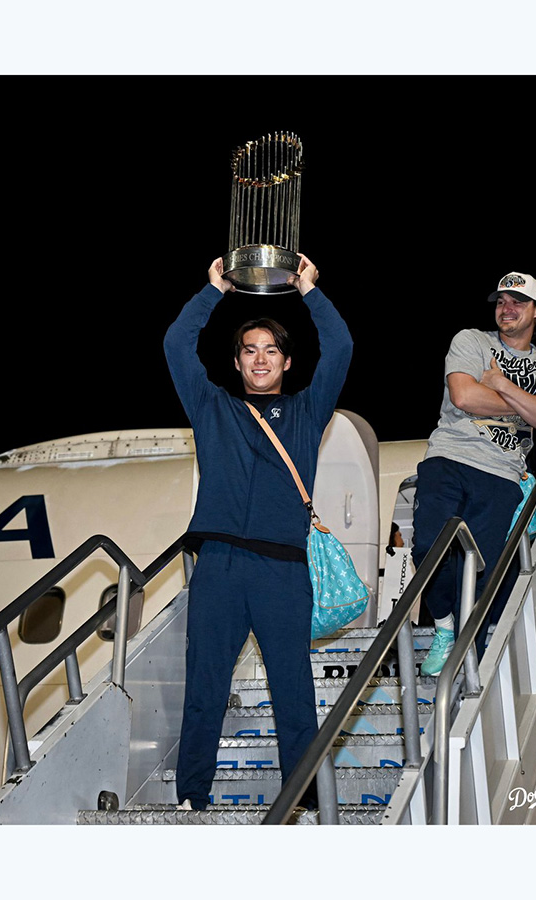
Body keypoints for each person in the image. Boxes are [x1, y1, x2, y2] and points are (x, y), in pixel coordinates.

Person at [164, 253, 353, 810]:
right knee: (205, 688)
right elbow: (177, 345)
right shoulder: (211, 406)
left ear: (287, 362)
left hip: (282, 569)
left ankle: (303, 801)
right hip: (219, 564)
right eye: (250, 350)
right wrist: (213, 290)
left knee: (291, 689)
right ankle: (191, 799)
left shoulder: (307, 411)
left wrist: (310, 289)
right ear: (240, 363)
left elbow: (340, 347)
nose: (261, 358)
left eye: (271, 350)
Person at [412, 271, 536, 677]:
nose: (507, 308)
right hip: (448, 458)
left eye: (518, 302)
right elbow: (463, 396)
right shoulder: (471, 341)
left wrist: (500, 385)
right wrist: (528, 406)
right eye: (501, 301)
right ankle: (444, 626)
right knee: (429, 546)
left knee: (484, 572)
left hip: (502, 475)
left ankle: (470, 669)